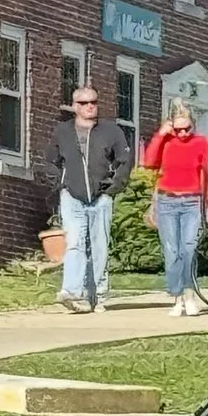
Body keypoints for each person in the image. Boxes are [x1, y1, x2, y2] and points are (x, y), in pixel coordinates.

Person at [49, 86, 133, 313]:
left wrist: (114, 187)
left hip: (101, 197)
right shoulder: (63, 131)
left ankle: (98, 294)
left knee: (99, 246)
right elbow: (52, 160)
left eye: (93, 102)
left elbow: (125, 160)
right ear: (75, 106)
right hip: (72, 196)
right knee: (75, 242)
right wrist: (61, 184)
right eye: (84, 103)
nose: (90, 106)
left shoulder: (111, 131)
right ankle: (72, 292)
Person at [140, 102, 208, 316]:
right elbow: (148, 162)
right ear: (171, 126)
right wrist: (160, 135)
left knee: (189, 247)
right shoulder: (166, 142)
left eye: (187, 128)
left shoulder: (201, 143)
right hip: (167, 201)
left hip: (192, 202)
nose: (183, 133)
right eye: (178, 129)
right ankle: (176, 298)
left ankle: (189, 294)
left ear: (193, 126)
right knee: (171, 250)